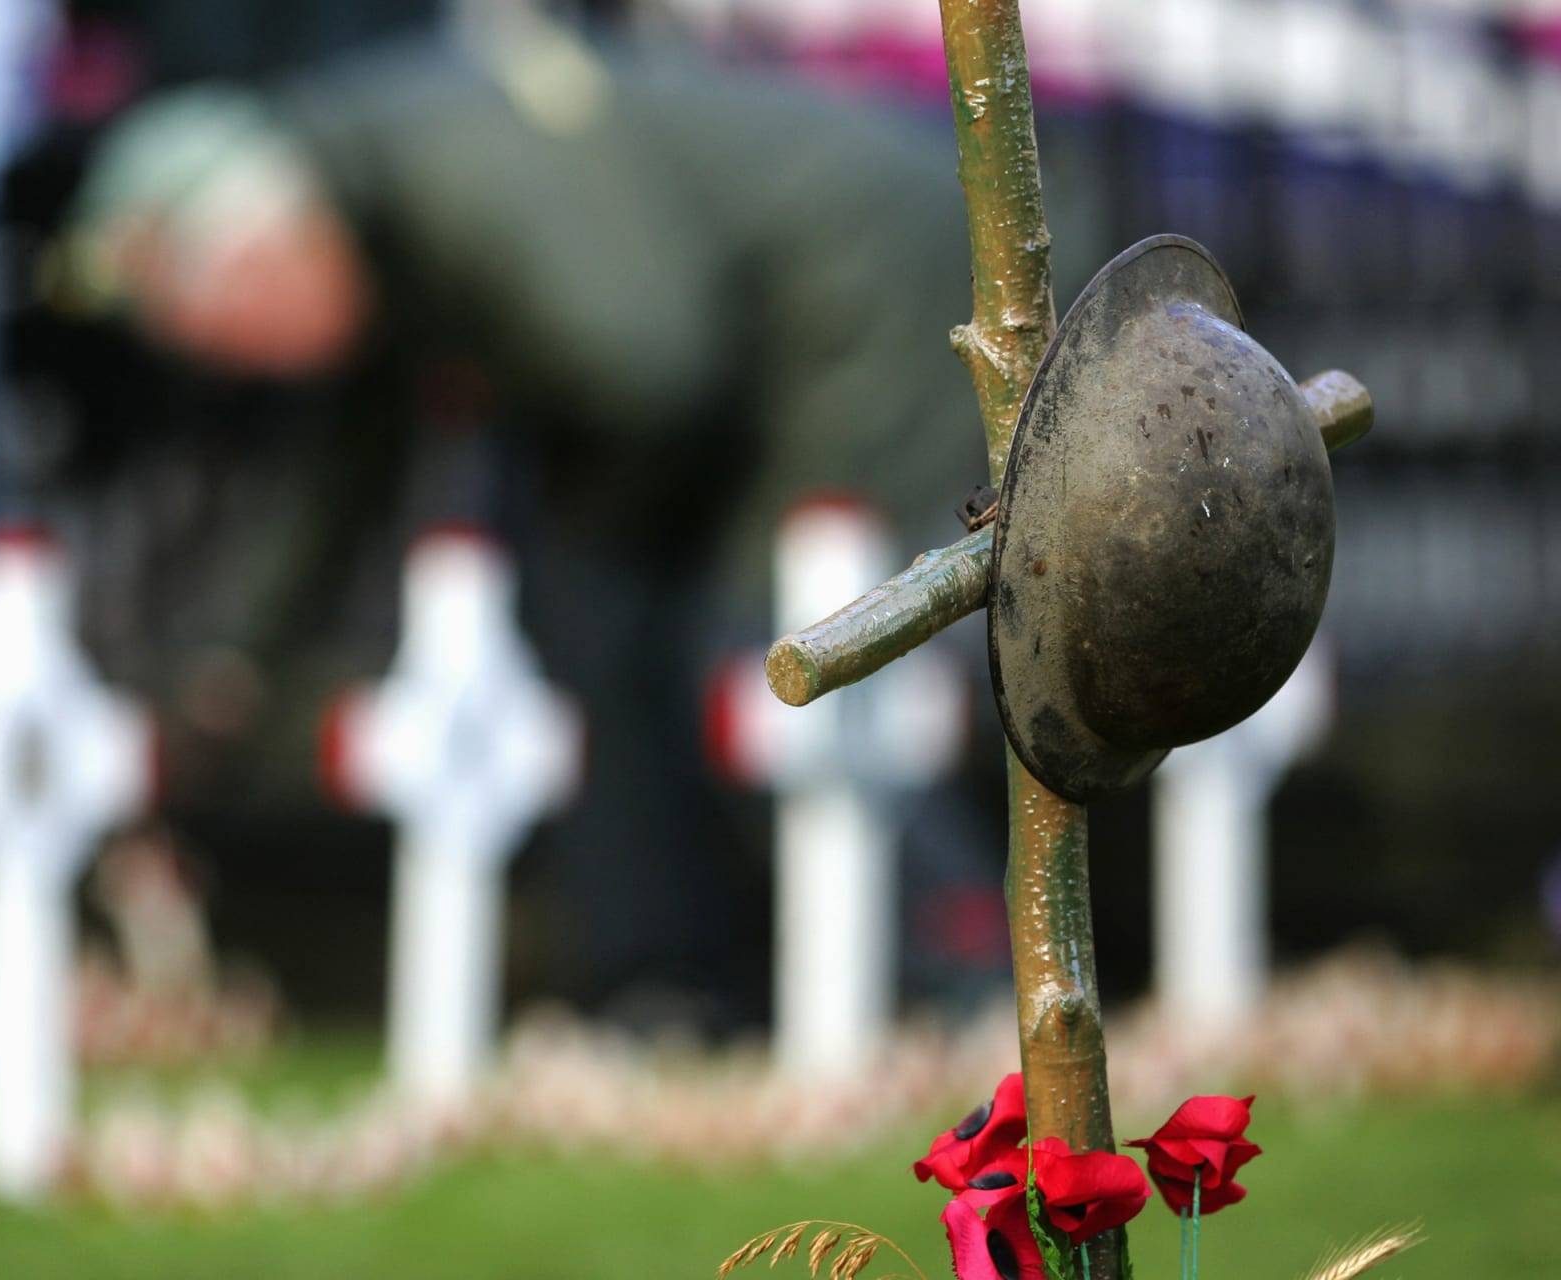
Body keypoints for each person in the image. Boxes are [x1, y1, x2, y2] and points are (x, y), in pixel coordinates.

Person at [60, 18, 987, 1027]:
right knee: (617, 614)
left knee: (796, 649)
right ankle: (673, 989)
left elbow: (650, 360)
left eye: (222, 323)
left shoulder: (452, 174)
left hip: (871, 299)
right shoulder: (379, 191)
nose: (235, 359)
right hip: (768, 331)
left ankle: (961, 979)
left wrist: (521, 426)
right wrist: (236, 655)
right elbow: (341, 465)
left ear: (261, 241)